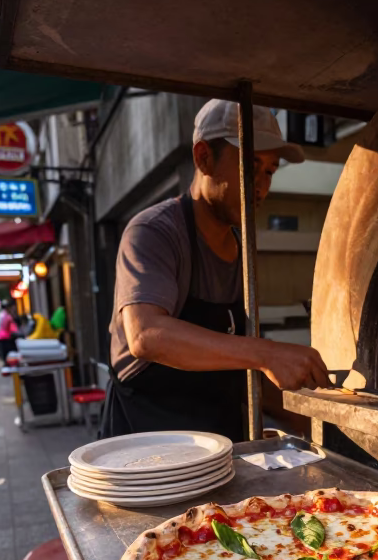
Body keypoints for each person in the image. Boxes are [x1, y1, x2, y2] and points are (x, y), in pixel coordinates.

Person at [103, 99, 330, 442]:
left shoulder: (242, 252)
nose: (261, 186)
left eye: (269, 170)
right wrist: (267, 353)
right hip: (147, 451)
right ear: (203, 158)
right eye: (250, 165)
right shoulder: (154, 231)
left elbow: (242, 368)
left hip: (222, 451)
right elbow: (145, 335)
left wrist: (316, 423)